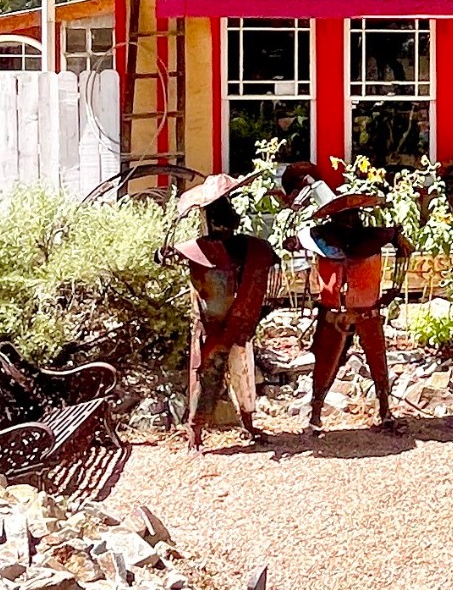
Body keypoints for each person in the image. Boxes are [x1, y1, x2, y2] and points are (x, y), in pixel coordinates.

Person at [283, 169, 411, 432]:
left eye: (353, 214)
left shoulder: (377, 236)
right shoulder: (316, 237)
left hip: (367, 310)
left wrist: (394, 289)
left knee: (377, 360)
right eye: (345, 215)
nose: (351, 219)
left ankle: (385, 411)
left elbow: (405, 250)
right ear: (334, 218)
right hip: (332, 311)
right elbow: (291, 242)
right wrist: (294, 238)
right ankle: (315, 414)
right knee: (325, 362)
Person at [169, 174, 279, 450]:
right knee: (206, 377)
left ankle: (246, 424)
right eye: (217, 216)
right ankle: (195, 433)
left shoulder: (253, 248)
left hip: (240, 325)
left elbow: (270, 268)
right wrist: (166, 254)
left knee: (243, 375)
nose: (222, 223)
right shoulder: (198, 249)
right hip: (212, 328)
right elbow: (169, 257)